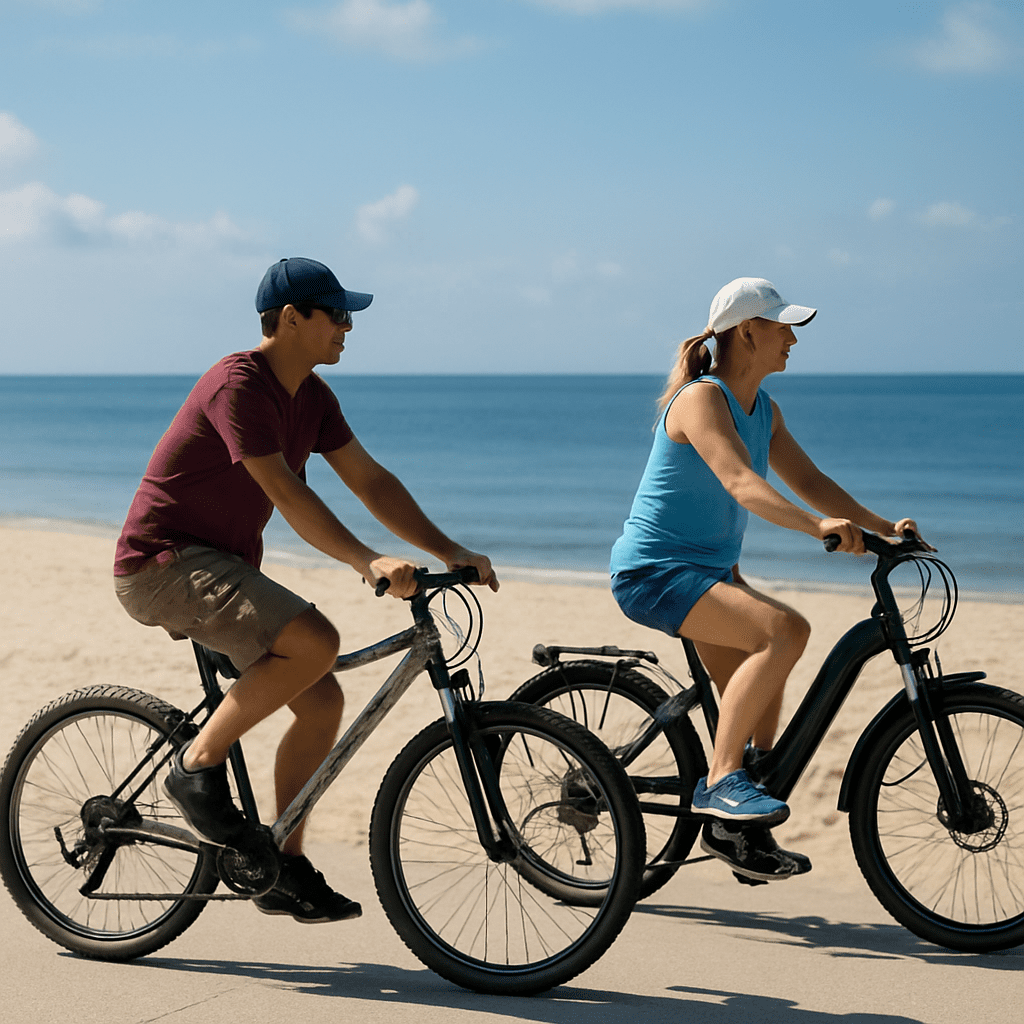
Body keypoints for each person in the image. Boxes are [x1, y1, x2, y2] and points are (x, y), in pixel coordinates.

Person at [114, 257, 498, 923]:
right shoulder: (238, 384)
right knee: (316, 639)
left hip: (222, 567)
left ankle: (280, 863)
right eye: (338, 314)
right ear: (292, 319)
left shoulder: (313, 398)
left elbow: (370, 480)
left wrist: (449, 550)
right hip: (162, 565)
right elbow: (286, 492)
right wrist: (366, 560)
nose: (348, 327)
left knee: (322, 699)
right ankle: (195, 764)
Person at [609, 277, 930, 883]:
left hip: (706, 572)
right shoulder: (701, 399)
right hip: (654, 572)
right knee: (784, 631)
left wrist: (885, 526)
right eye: (784, 327)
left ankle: (735, 825)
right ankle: (721, 783)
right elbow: (740, 483)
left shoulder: (765, 411)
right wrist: (819, 529)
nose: (792, 339)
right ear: (748, 332)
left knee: (762, 697)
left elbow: (812, 482)